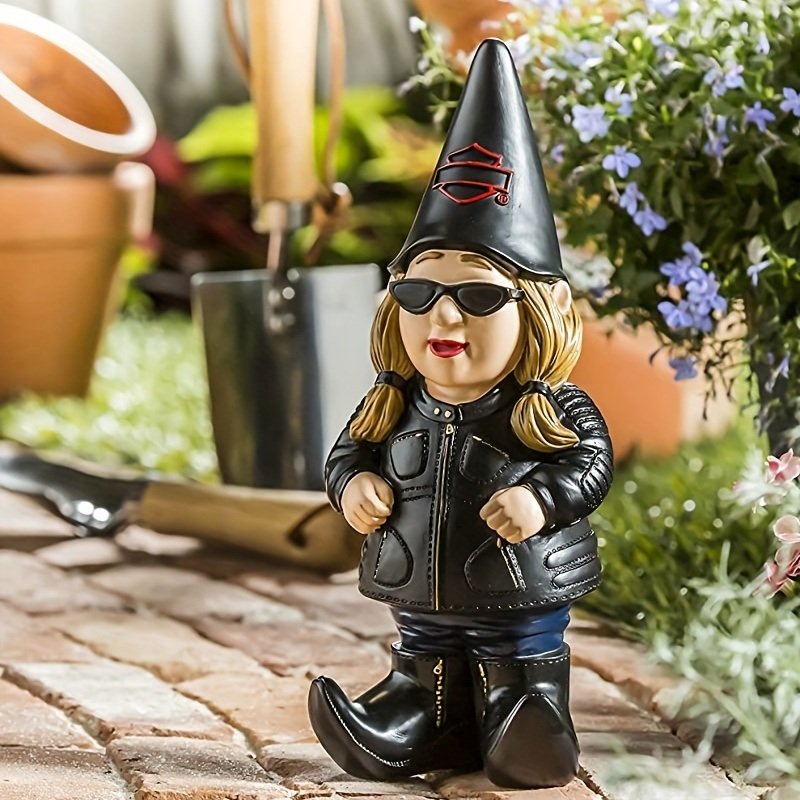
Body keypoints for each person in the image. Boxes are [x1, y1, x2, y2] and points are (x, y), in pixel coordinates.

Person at [308, 38, 614, 789]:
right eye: (419, 293)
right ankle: (417, 718)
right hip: (420, 588)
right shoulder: (393, 399)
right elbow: (348, 454)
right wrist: (353, 485)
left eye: (476, 295)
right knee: (426, 652)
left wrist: (542, 499)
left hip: (516, 587)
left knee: (513, 656)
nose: (443, 316)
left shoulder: (547, 405)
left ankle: (528, 715)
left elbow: (590, 463)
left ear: (538, 309)